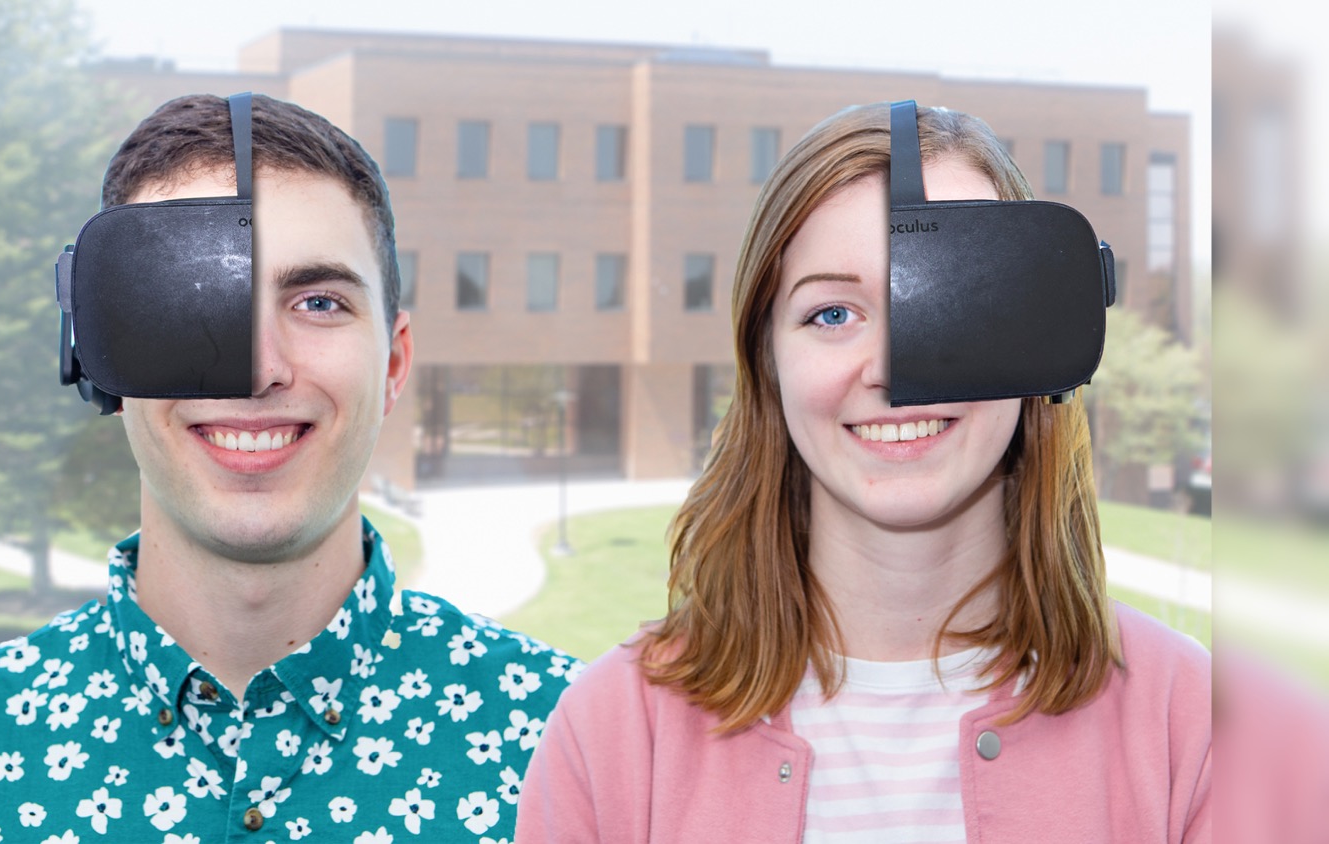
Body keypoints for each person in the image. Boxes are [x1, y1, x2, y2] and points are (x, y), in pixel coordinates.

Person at [515, 102, 1211, 842]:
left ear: (1035, 342)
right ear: (767, 362)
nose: (889, 371)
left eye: (956, 302)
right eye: (832, 315)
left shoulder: (1191, 723)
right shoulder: (615, 734)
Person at [0, 93, 581, 843]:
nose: (257, 370)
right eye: (188, 296)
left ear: (394, 363)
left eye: (317, 302)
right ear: (99, 358)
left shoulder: (578, 744)